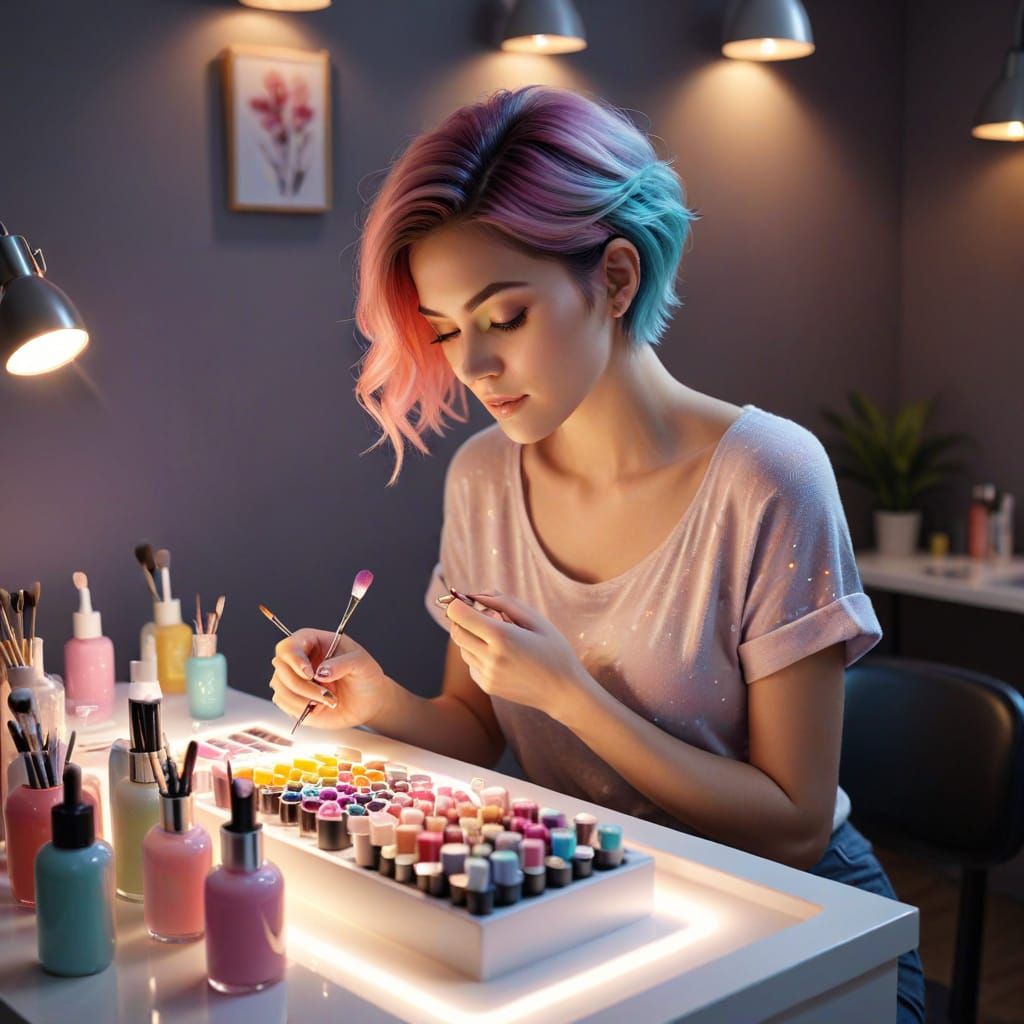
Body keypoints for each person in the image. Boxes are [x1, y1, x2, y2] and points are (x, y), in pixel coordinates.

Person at [269, 85, 925, 1022]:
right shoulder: (483, 479)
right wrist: (380, 705)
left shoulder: (770, 477)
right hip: (600, 908)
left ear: (614, 279)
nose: (473, 367)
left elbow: (794, 826)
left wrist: (570, 692)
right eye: (448, 330)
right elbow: (475, 722)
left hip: (808, 937)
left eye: (505, 317)